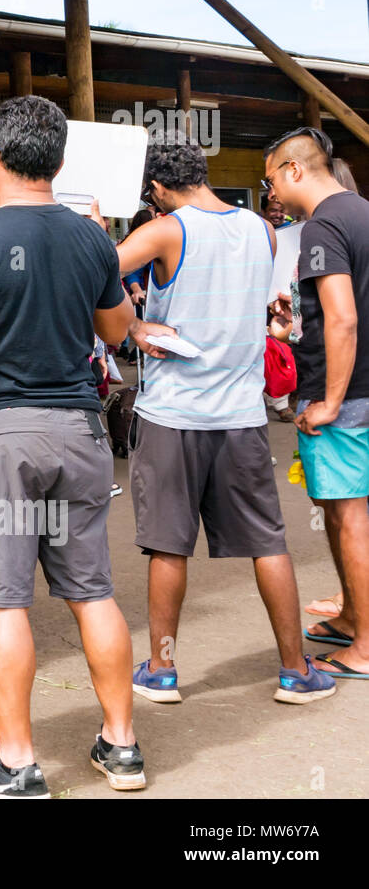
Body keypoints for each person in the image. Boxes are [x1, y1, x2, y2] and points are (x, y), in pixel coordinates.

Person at [0, 96, 144, 798]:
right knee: (92, 590)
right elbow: (118, 332)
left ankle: (16, 763)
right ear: (60, 159)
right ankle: (123, 747)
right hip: (80, 430)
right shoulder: (89, 239)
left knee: (4, 599)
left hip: (7, 435)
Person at [114, 131, 334, 707]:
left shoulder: (164, 228)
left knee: (168, 547)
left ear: (158, 188)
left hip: (172, 415)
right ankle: (295, 670)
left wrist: (133, 327)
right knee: (269, 542)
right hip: (242, 414)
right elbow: (255, 301)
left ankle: (161, 670)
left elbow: (94, 271)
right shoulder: (257, 228)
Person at [264, 128, 369, 681]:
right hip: (361, 388)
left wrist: (328, 401)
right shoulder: (363, 213)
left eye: (272, 177)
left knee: (349, 515)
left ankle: (365, 646)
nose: (274, 190)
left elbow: (346, 317)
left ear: (294, 170)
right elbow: (340, 314)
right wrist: (294, 326)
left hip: (345, 396)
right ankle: (354, 615)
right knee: (342, 510)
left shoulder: (322, 227)